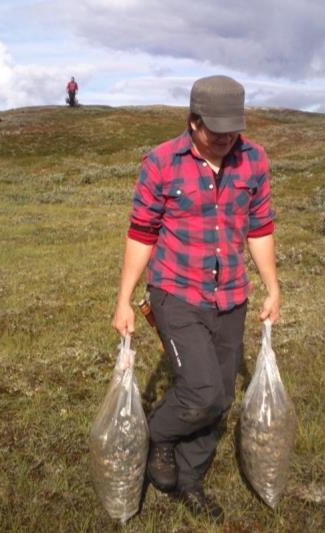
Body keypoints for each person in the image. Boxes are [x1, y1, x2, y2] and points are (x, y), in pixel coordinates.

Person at [112, 75, 280, 523]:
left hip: (231, 297)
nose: (226, 138)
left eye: (234, 129)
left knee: (221, 396)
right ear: (193, 122)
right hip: (176, 292)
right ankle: (156, 437)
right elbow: (142, 233)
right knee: (203, 392)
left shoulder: (253, 160)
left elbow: (260, 227)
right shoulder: (161, 163)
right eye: (216, 129)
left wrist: (272, 285)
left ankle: (190, 480)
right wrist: (124, 298)